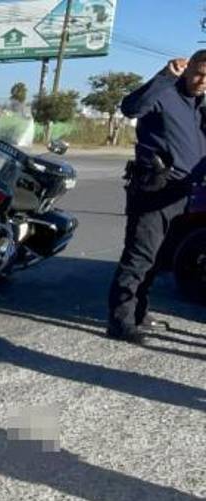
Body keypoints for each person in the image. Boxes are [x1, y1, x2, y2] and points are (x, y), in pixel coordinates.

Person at [108, 52, 206, 343]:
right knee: (139, 257)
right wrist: (165, 76)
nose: (203, 81)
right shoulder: (165, 94)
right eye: (199, 73)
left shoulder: (200, 107)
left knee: (159, 257)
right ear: (187, 70)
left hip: (184, 194)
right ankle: (119, 321)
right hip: (154, 191)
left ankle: (139, 311)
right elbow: (130, 107)